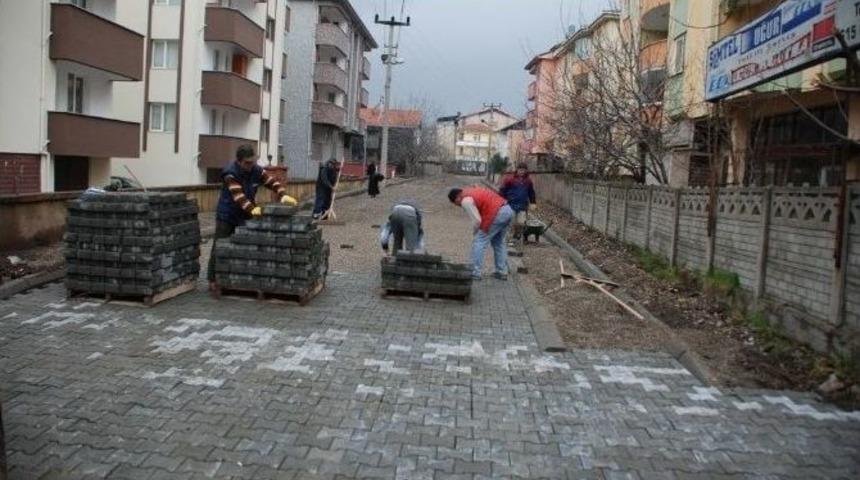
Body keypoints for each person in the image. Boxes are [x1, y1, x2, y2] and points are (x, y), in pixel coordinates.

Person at [208, 144, 297, 291]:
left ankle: (236, 278)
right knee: (220, 246)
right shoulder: (230, 174)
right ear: (239, 161)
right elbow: (239, 197)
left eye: (253, 162)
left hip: (245, 214)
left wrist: (283, 194)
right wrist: (253, 209)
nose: (250, 165)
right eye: (247, 163)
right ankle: (213, 279)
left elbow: (272, 182)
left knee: (243, 246)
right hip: (227, 214)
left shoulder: (256, 170)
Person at [448, 186, 514, 280]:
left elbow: (477, 221)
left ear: (457, 197)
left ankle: (475, 272)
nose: (458, 206)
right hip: (507, 209)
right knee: (498, 243)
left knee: (479, 241)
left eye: (456, 203)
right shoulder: (472, 190)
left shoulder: (465, 200)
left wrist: (475, 232)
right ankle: (502, 271)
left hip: (496, 214)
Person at [499, 162, 536, 242]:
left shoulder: (528, 181)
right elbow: (502, 190)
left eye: (523, 170)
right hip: (511, 204)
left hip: (522, 205)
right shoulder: (510, 179)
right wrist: (502, 200)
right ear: (517, 170)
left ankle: (516, 236)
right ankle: (508, 239)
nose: (522, 172)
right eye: (520, 170)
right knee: (511, 222)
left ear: (526, 171)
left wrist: (533, 202)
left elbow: (531, 192)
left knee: (521, 223)